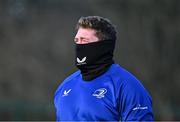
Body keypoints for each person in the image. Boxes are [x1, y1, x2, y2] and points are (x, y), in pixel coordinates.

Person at [54, 16, 153, 121]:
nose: (79, 45)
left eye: (84, 40)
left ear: (103, 45)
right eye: (77, 40)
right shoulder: (65, 86)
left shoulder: (127, 87)